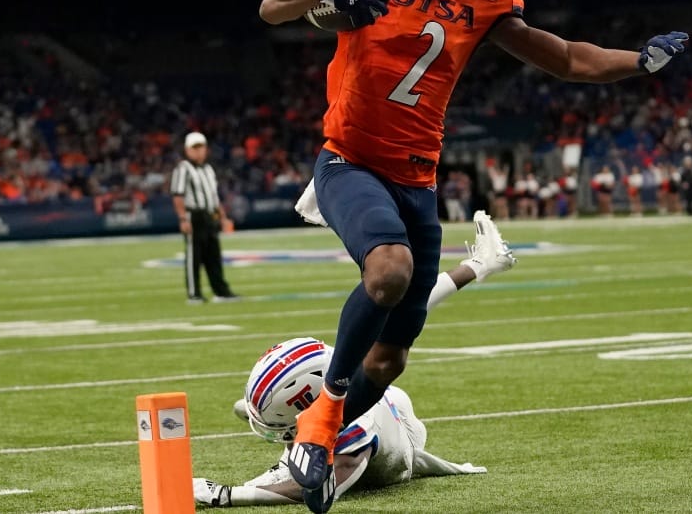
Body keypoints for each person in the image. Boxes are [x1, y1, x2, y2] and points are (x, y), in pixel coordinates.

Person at [258, 0, 687, 510]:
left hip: (418, 180)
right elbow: (274, 3)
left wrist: (637, 62)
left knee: (389, 359)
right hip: (350, 160)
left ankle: (313, 436)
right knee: (389, 271)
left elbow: (565, 56)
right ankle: (316, 436)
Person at [193, 217, 514, 508]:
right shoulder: (340, 370)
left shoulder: (355, 433)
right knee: (393, 317)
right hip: (378, 400)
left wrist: (227, 494)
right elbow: (415, 304)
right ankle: (481, 263)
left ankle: (288, 426)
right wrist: (475, 266)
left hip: (402, 443)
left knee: (387, 327)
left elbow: (315, 488)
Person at [171, 132, 238, 305]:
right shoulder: (183, 168)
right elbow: (177, 195)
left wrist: (222, 218)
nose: (198, 151)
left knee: (213, 255)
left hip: (209, 215)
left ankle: (221, 291)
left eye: (201, 147)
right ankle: (194, 294)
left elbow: (213, 197)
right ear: (187, 150)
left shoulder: (208, 169)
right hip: (193, 215)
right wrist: (183, 219)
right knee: (194, 256)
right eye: (195, 148)